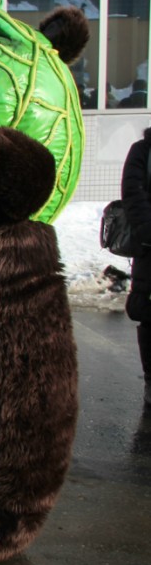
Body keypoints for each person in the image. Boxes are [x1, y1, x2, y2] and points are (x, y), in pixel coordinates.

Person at [121, 126, 151, 406]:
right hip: (150, 247)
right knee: (149, 313)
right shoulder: (143, 151)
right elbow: (133, 192)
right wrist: (146, 230)